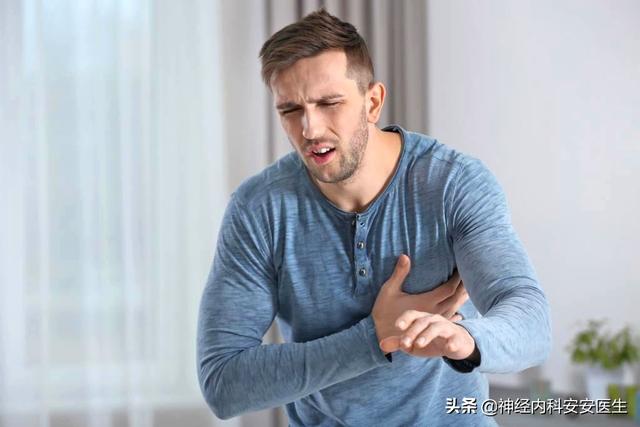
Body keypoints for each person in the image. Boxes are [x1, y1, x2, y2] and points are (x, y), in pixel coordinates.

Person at [197, 9, 551, 426]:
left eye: (329, 103)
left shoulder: (452, 184)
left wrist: (467, 339)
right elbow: (223, 383)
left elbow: (531, 321)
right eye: (290, 110)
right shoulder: (259, 209)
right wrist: (375, 335)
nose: (309, 129)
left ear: (373, 102)